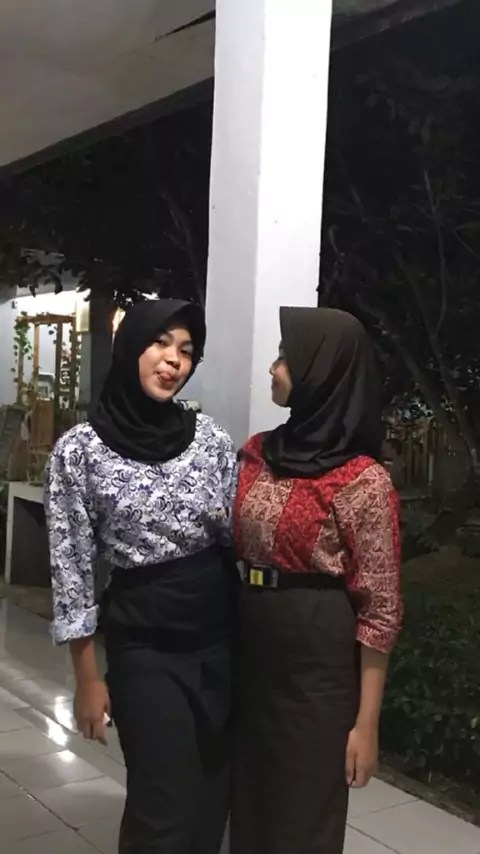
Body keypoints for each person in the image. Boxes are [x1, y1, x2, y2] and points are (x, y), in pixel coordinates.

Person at [44, 299, 238, 854]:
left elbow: (235, 538)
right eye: (161, 342)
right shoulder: (79, 452)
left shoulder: (211, 440)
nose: (173, 360)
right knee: (163, 807)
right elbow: (72, 572)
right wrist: (87, 679)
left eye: (187, 351)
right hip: (145, 646)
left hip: (219, 643)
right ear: (131, 346)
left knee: (212, 800)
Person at [231, 307, 402, 854]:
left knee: (303, 814)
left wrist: (366, 725)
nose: (274, 368)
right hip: (248, 643)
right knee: (250, 802)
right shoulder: (257, 452)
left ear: (321, 372)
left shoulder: (364, 482)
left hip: (316, 665)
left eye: (286, 358)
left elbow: (380, 611)